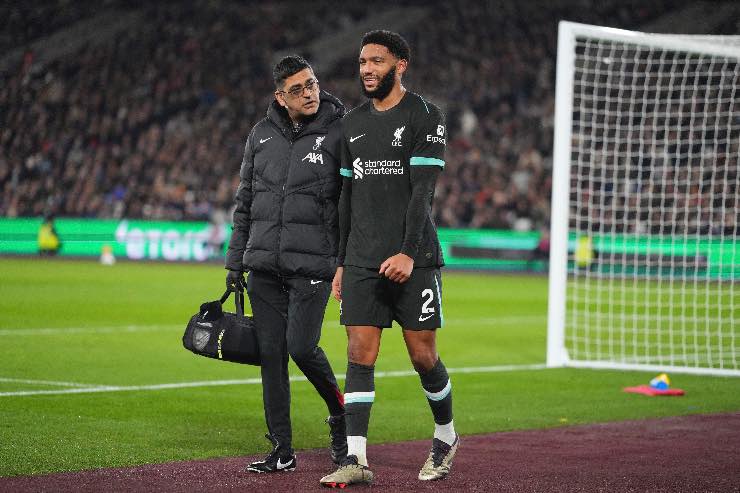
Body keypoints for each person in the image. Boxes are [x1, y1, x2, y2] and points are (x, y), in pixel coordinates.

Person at [319, 31, 458, 488]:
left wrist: (407, 252)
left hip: (414, 260)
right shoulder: (351, 124)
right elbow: (346, 196)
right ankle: (356, 458)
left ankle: (446, 436)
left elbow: (423, 192)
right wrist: (342, 261)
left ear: (400, 65)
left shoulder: (425, 115)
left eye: (376, 61)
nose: (366, 69)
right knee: (359, 353)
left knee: (423, 356)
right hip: (361, 258)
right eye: (362, 61)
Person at [225, 55, 347, 474]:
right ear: (281, 96)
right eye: (298, 89)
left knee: (301, 348)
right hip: (263, 266)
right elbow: (245, 202)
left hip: (313, 265)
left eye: (311, 84)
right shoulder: (260, 135)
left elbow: (350, 202)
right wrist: (235, 262)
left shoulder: (340, 130)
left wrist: (343, 261)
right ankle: (282, 448)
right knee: (272, 356)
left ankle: (341, 415)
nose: (309, 93)